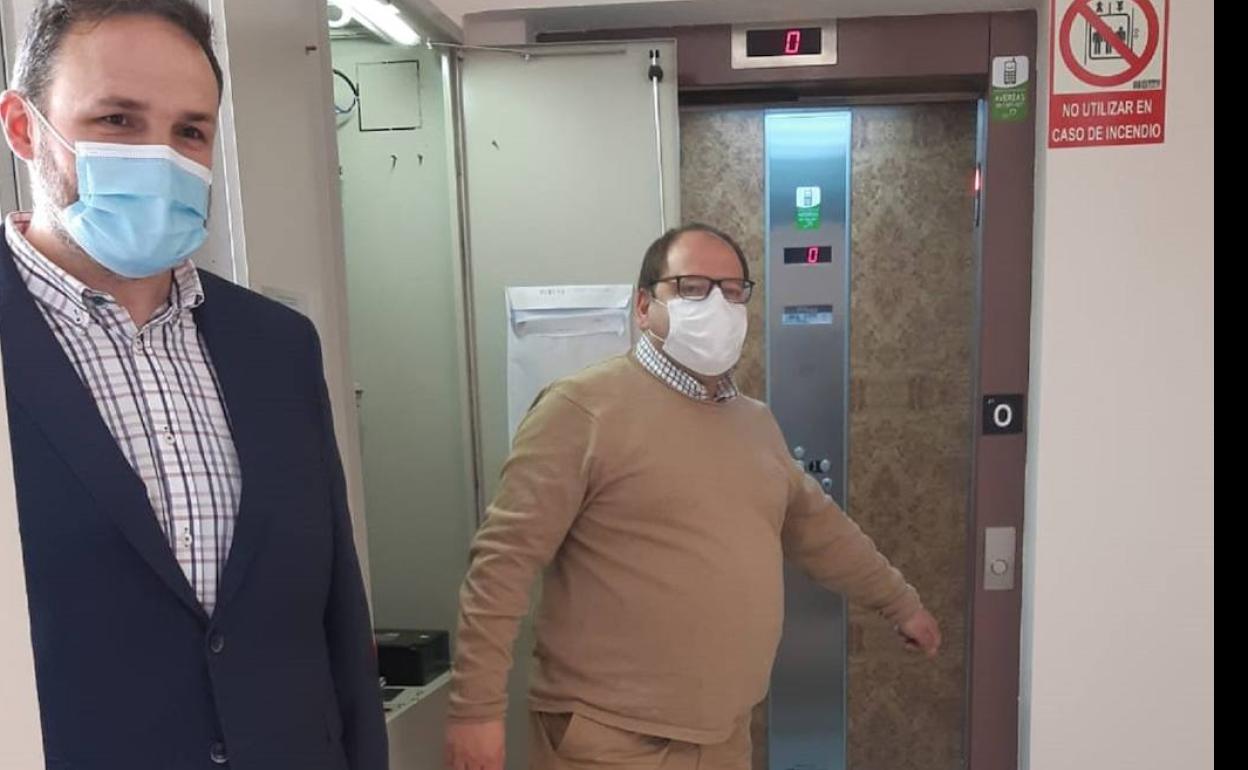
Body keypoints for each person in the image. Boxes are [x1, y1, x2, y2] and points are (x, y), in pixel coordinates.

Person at [0, 2, 387, 767]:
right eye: (117, 120)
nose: (160, 157)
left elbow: (338, 621)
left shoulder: (276, 347)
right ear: (22, 127)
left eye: (189, 131)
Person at [445, 224, 941, 770]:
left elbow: (821, 531)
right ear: (644, 306)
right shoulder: (582, 410)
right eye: (692, 288)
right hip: (610, 741)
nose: (717, 305)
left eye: (732, 291)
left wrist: (901, 603)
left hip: (723, 737)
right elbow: (503, 564)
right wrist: (475, 710)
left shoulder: (755, 424)